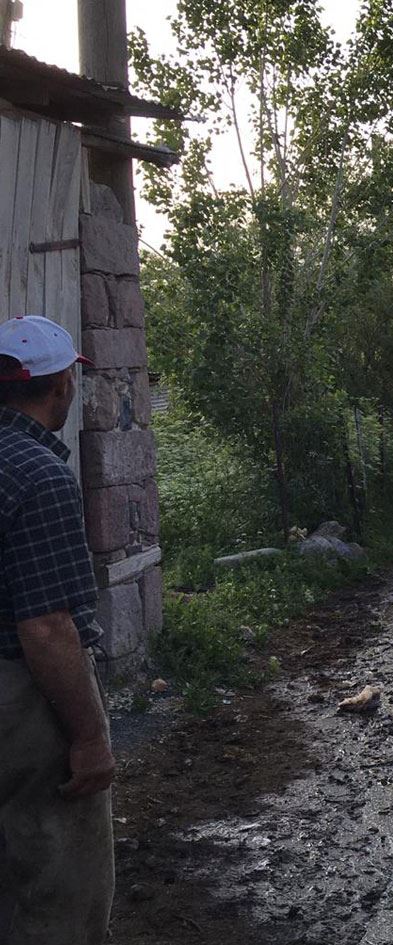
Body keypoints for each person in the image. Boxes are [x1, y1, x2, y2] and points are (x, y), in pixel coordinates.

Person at [0, 315, 114, 944]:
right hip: (21, 700)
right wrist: (90, 738)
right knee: (57, 879)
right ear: (62, 384)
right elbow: (46, 627)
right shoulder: (40, 476)